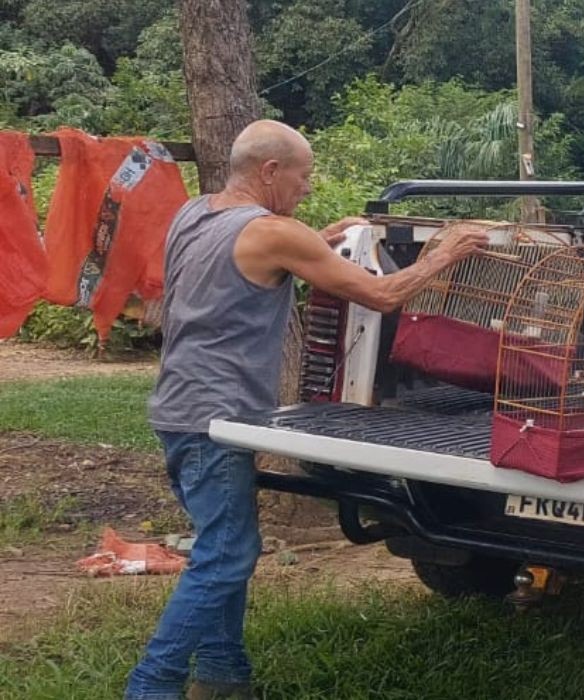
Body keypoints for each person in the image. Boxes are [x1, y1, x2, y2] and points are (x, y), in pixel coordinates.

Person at [126, 120, 487, 700]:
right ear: (270, 171)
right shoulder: (273, 233)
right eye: (303, 175)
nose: (307, 187)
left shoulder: (196, 213)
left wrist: (314, 237)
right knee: (226, 556)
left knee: (222, 544)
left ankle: (223, 677)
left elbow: (244, 260)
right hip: (214, 416)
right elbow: (381, 295)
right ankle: (151, 687)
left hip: (179, 406)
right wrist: (442, 256)